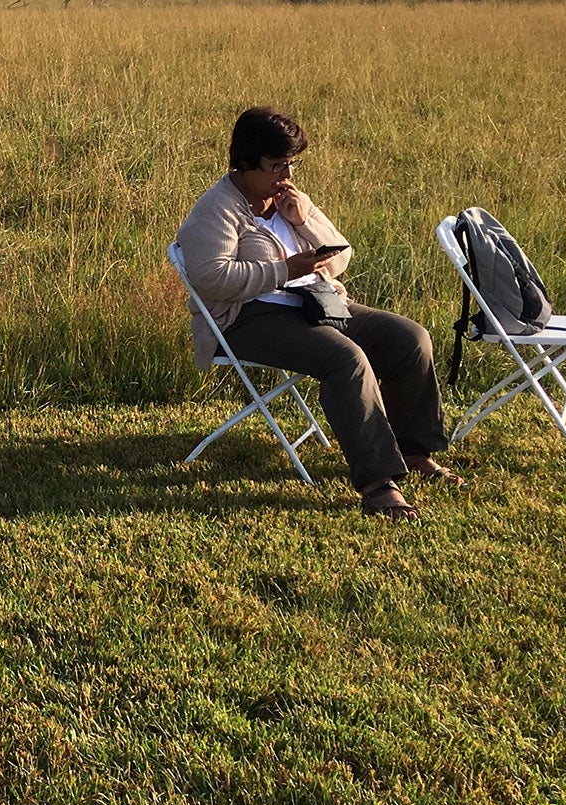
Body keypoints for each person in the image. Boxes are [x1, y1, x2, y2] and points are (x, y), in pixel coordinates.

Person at [175, 106, 457, 520]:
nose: (285, 176)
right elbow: (210, 278)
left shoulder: (289, 199)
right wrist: (284, 270)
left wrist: (304, 221)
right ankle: (378, 483)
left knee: (408, 338)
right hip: (247, 318)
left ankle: (414, 451)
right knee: (345, 359)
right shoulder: (216, 209)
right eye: (275, 165)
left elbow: (340, 258)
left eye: (291, 163)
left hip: (315, 303)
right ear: (245, 163)